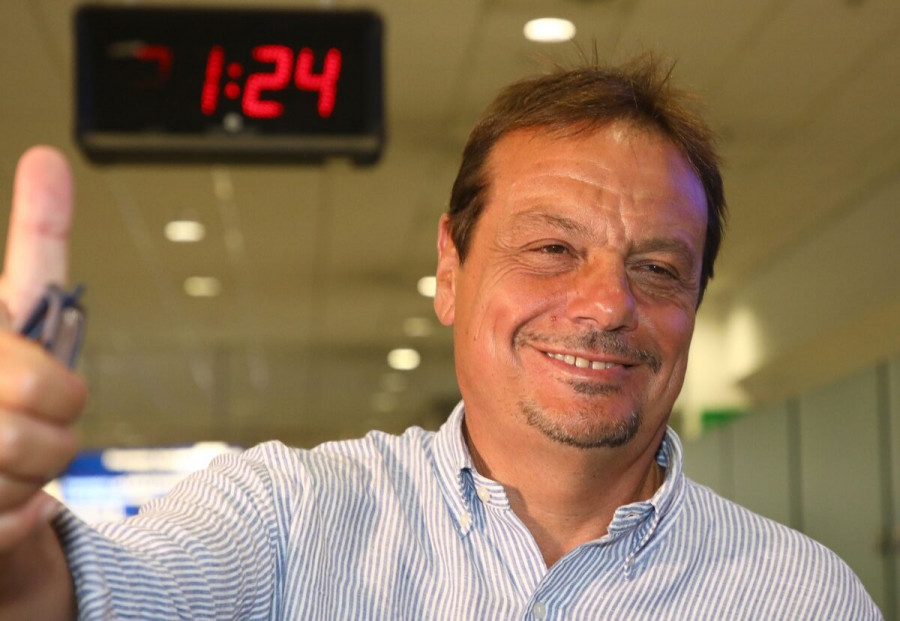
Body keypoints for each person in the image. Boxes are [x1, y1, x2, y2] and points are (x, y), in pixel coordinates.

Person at [0, 58, 882, 619]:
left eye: (656, 268)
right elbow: (99, 593)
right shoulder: (288, 518)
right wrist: (13, 542)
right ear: (451, 270)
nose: (607, 304)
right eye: (552, 249)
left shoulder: (804, 596)